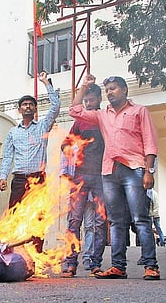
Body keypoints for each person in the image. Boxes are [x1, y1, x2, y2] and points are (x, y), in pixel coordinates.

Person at [69, 74, 160, 280]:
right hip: (109, 171)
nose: (109, 93)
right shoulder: (102, 114)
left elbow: (150, 142)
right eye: (107, 89)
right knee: (116, 221)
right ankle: (118, 266)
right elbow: (74, 110)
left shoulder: (139, 111)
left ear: (125, 90)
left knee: (140, 219)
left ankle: (151, 265)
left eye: (113, 89)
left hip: (134, 169)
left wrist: (148, 171)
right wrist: (84, 86)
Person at [0, 71, 60, 252]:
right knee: (14, 215)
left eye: (31, 105)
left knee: (38, 217)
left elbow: (55, 107)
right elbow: (8, 156)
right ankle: (13, 253)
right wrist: (2, 177)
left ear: (35, 109)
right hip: (18, 180)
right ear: (19, 109)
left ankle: (36, 255)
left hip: (38, 179)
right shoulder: (12, 132)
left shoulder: (43, 126)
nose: (27, 107)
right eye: (24, 105)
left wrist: (46, 83)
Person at [59, 83, 107, 277]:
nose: (87, 103)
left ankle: (96, 263)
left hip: (103, 176)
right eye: (85, 100)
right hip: (80, 176)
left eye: (91, 100)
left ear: (99, 100)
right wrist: (70, 152)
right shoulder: (79, 122)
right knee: (74, 220)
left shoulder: (105, 118)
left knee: (100, 221)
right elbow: (65, 143)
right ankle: (70, 263)